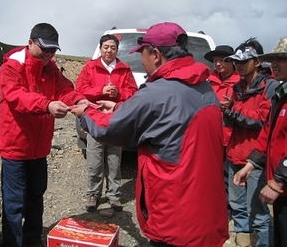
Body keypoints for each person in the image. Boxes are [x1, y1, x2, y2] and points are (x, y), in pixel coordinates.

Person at [71, 22, 229, 247]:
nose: (141, 62)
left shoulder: (158, 91)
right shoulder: (204, 88)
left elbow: (109, 129)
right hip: (206, 210)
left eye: (142, 54)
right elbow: (168, 118)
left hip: (175, 215)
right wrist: (118, 108)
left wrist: (86, 113)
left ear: (155, 54)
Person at [0, 23, 88, 247]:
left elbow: (64, 88)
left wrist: (78, 100)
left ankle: (31, 240)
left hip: (39, 148)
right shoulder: (11, 67)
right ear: (30, 43)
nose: (48, 54)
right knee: (14, 202)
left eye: (52, 50)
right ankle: (12, 243)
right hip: (15, 147)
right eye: (44, 49)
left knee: (36, 197)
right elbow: (16, 96)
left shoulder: (51, 68)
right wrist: (47, 105)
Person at [223, 39, 279, 247]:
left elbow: (261, 119)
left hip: (256, 159)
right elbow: (233, 119)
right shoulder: (237, 86)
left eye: (244, 61)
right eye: (237, 61)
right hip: (235, 154)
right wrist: (228, 112)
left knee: (258, 212)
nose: (239, 65)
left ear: (257, 62)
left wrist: (232, 111)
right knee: (237, 206)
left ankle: (263, 244)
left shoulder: (269, 86)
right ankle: (243, 242)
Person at [234, 36, 287, 247]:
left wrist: (279, 181)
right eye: (273, 58)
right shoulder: (281, 94)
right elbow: (268, 133)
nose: (274, 64)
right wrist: (251, 163)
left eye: (281, 59)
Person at [75, 34, 138, 212]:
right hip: (95, 119)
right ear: (100, 48)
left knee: (114, 159)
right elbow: (80, 89)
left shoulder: (124, 69)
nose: (109, 50)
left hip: (115, 120)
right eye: (106, 47)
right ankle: (93, 194)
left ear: (117, 50)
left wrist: (118, 93)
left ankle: (114, 196)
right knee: (94, 159)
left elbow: (133, 92)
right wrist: (100, 90)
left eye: (113, 47)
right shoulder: (90, 67)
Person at [204, 45, 240, 217]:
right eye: (215, 60)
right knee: (211, 173)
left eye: (222, 60)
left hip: (233, 136)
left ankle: (230, 210)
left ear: (232, 61)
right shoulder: (208, 81)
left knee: (230, 175)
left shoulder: (241, 82)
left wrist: (233, 107)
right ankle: (215, 206)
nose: (218, 64)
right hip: (211, 135)